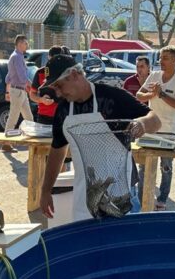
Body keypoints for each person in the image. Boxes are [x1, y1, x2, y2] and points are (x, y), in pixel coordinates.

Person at [38, 54, 161, 223]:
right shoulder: (63, 111)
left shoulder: (112, 97)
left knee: (122, 246)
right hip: (85, 196)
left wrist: (142, 123)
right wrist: (46, 190)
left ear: (75, 74)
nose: (58, 93)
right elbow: (57, 150)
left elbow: (155, 120)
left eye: (59, 85)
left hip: (122, 195)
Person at [136, 46, 175, 210]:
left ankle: (162, 200)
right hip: (150, 129)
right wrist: (151, 95)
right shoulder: (154, 75)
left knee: (166, 168)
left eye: (165, 58)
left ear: (174, 60)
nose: (161, 61)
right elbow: (139, 96)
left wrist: (161, 94)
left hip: (169, 131)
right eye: (160, 57)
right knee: (143, 168)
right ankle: (142, 200)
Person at [3, 34, 34, 151]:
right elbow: (22, 77)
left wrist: (7, 91)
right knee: (13, 117)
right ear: (20, 44)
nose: (27, 45)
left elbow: (8, 77)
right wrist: (32, 86)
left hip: (19, 91)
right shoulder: (17, 57)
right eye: (26, 43)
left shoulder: (16, 56)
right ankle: (6, 143)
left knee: (29, 117)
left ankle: (32, 142)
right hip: (18, 91)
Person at [28, 45, 62, 125]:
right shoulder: (41, 72)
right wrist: (41, 100)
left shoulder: (68, 73)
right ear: (49, 57)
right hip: (44, 117)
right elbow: (32, 94)